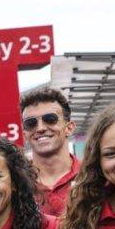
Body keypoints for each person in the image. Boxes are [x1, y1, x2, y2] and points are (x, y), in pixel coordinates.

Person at [20, 87, 80, 216]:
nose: (40, 128)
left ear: (69, 128)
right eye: (31, 123)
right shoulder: (15, 183)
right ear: (24, 134)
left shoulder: (92, 176)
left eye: (50, 119)